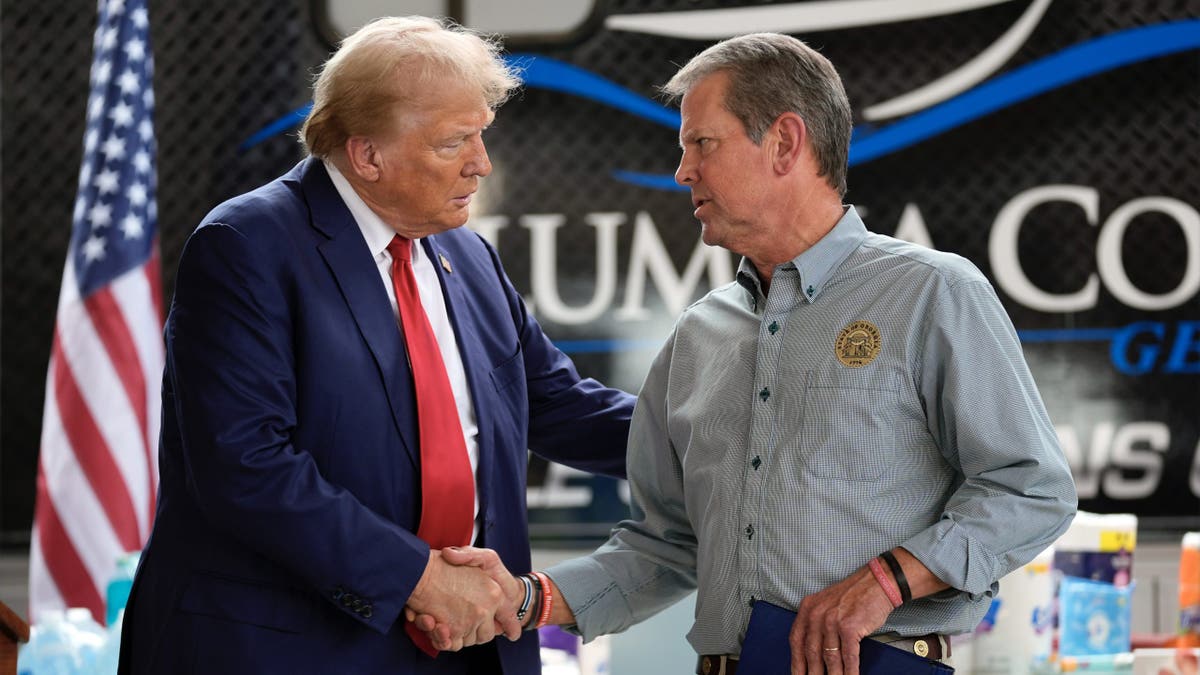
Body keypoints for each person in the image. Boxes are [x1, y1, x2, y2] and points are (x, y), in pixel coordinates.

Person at [431, 31, 1078, 675]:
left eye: (700, 144)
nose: (684, 170)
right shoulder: (698, 336)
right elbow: (668, 545)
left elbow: (1031, 489)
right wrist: (525, 597)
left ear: (785, 142)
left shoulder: (933, 293)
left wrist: (887, 581)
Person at [117, 16, 635, 675]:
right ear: (367, 154)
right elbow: (246, 464)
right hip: (290, 649)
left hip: (466, 647)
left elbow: (556, 403)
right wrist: (420, 577)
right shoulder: (246, 245)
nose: (482, 163)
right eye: (456, 142)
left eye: (482, 135)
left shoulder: (466, 254)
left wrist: (718, 446)